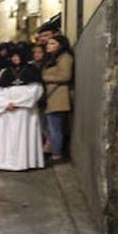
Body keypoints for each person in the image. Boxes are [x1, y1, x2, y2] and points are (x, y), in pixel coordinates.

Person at [0, 45, 45, 171]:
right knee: (8, 137)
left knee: (24, 136)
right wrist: (6, 103)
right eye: (13, 56)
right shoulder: (7, 72)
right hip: (8, 111)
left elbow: (36, 89)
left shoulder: (31, 69)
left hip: (25, 112)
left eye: (17, 56)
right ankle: (6, 161)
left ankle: (26, 162)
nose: (15, 59)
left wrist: (19, 102)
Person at [42, 34, 74, 162]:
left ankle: (56, 154)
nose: (48, 46)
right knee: (49, 126)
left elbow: (66, 76)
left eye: (53, 43)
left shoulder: (65, 57)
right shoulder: (51, 59)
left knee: (55, 127)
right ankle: (51, 149)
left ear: (60, 45)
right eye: (48, 43)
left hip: (58, 96)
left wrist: (45, 78)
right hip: (50, 96)